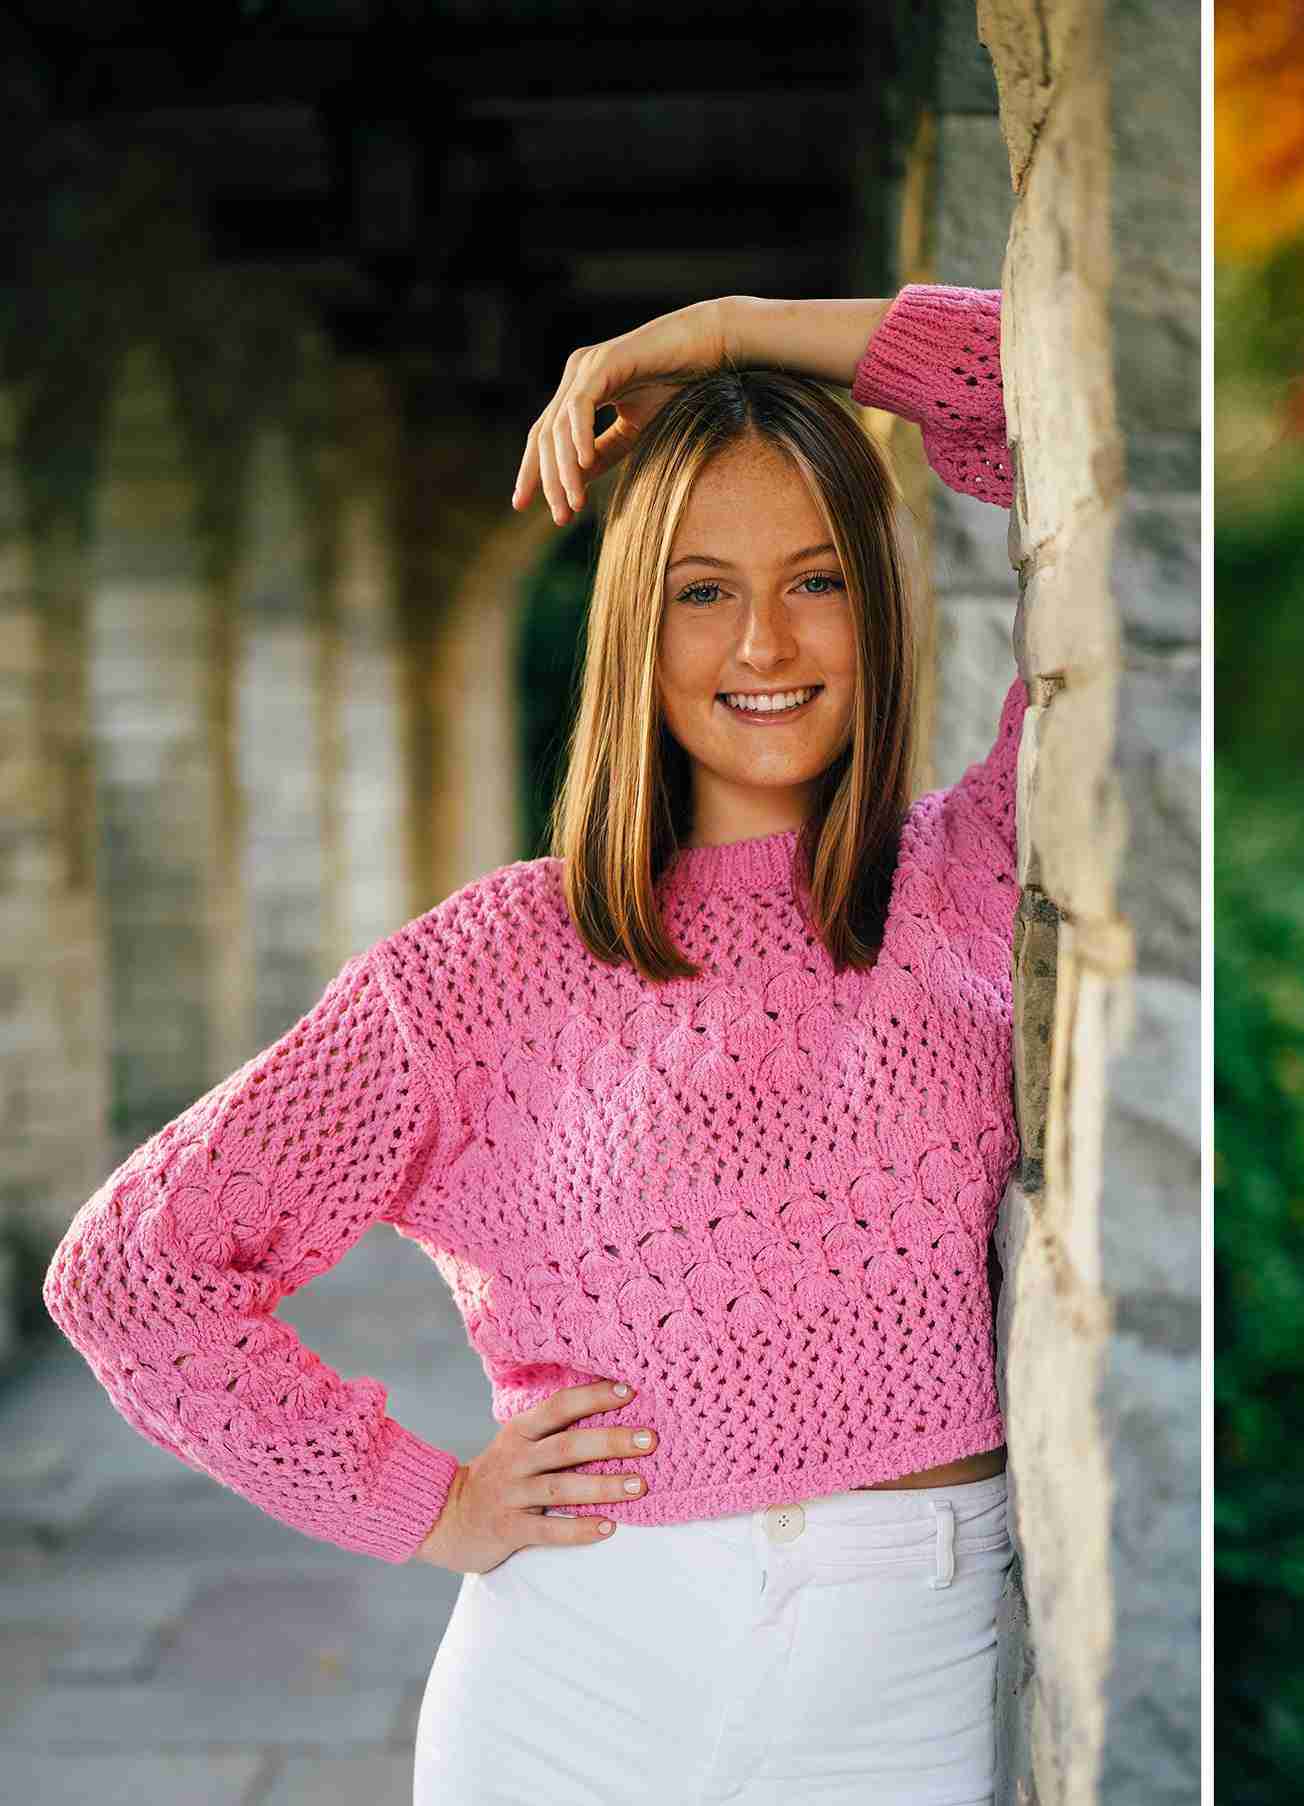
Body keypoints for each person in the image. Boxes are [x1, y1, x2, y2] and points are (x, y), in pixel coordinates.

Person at [44, 283, 1029, 1804]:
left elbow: (1094, 410)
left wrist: (724, 333)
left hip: (913, 1679)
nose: (764, 639)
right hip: (582, 1681)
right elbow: (134, 1271)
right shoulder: (485, 967)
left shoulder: (979, 868)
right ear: (634, 625)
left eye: (819, 578)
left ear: (880, 607)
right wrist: (419, 1500)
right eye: (702, 590)